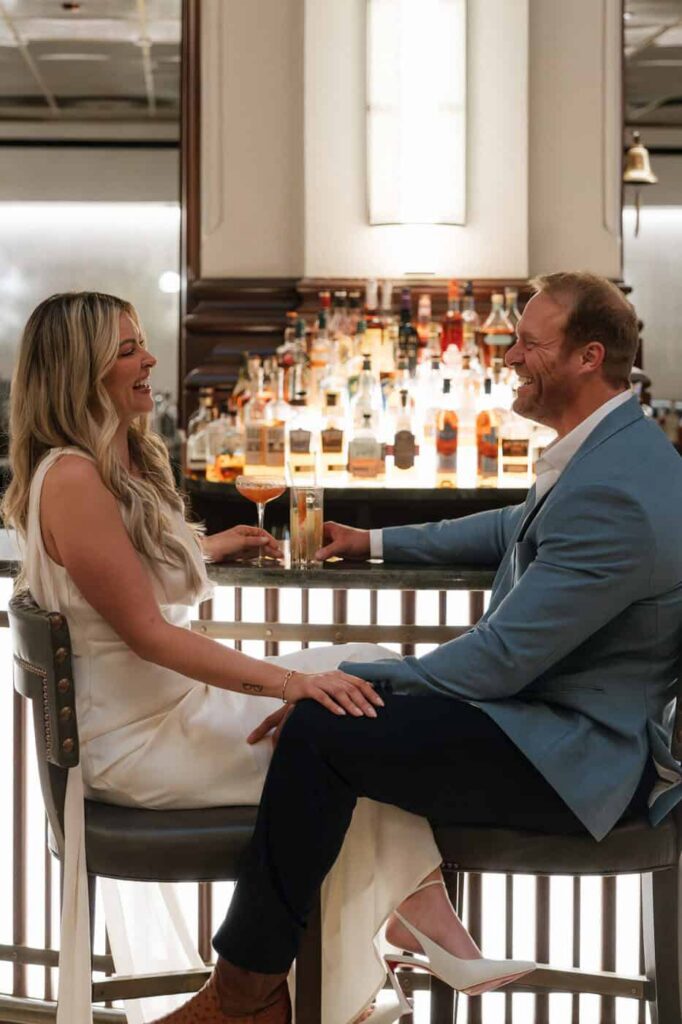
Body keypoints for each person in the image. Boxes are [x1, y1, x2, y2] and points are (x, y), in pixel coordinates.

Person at [1, 291, 530, 1024]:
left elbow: (121, 574)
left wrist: (207, 548)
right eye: (127, 350)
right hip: (140, 741)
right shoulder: (71, 479)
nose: (150, 358)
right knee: (345, 726)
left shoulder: (105, 463)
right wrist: (290, 683)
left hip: (168, 712)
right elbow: (149, 633)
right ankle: (392, 934)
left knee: (366, 667)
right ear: (77, 372)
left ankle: (411, 916)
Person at [180, 272, 682, 1022]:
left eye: (529, 344)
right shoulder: (617, 450)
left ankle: (245, 996)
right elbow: (512, 527)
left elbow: (496, 661)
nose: (509, 357)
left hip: (580, 762)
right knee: (339, 708)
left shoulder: (616, 491)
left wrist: (347, 678)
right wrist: (374, 542)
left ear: (589, 357)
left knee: (323, 725)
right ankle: (387, 936)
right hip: (550, 727)